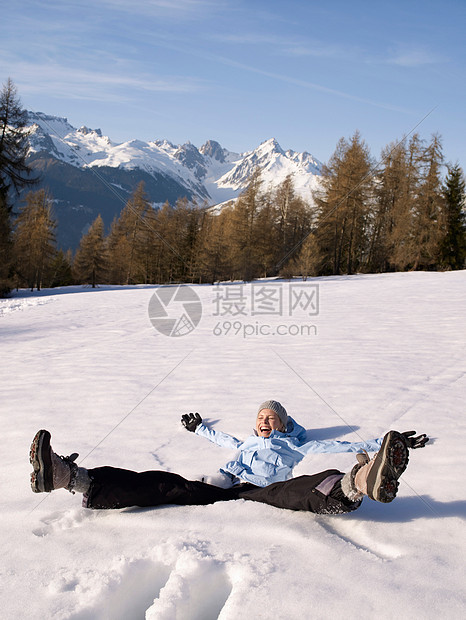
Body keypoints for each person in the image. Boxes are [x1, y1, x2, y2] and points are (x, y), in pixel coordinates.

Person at [29, 400, 428, 515]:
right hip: (222, 486)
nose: (265, 421)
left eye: (273, 418)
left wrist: (382, 444)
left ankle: (361, 481)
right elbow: (223, 439)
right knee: (164, 484)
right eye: (260, 418)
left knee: (293, 492)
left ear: (285, 425)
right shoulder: (245, 444)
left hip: (262, 490)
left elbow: (329, 446)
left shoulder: (294, 445)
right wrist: (199, 427)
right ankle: (69, 476)